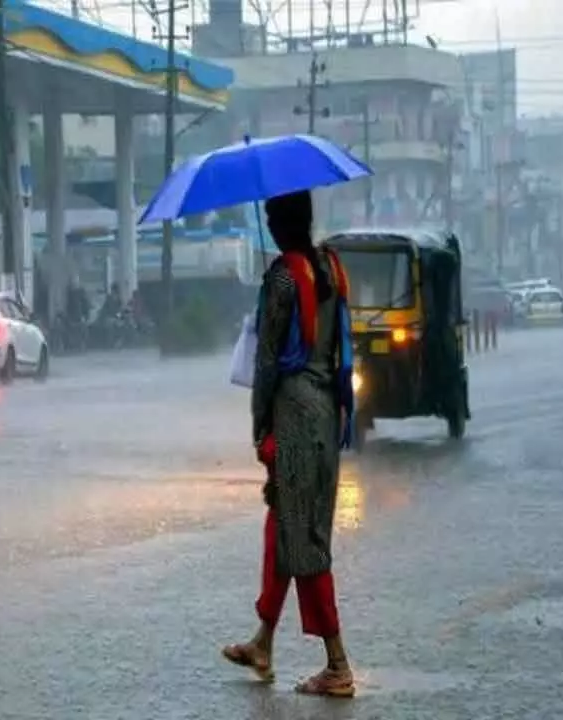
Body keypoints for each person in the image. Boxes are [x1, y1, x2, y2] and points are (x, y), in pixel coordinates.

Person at [221, 190, 357, 698]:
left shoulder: (282, 276)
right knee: (285, 526)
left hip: (295, 418)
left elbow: (266, 362)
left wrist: (261, 427)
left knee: (303, 543)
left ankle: (338, 664)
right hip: (328, 414)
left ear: (278, 225)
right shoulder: (332, 268)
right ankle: (263, 642)